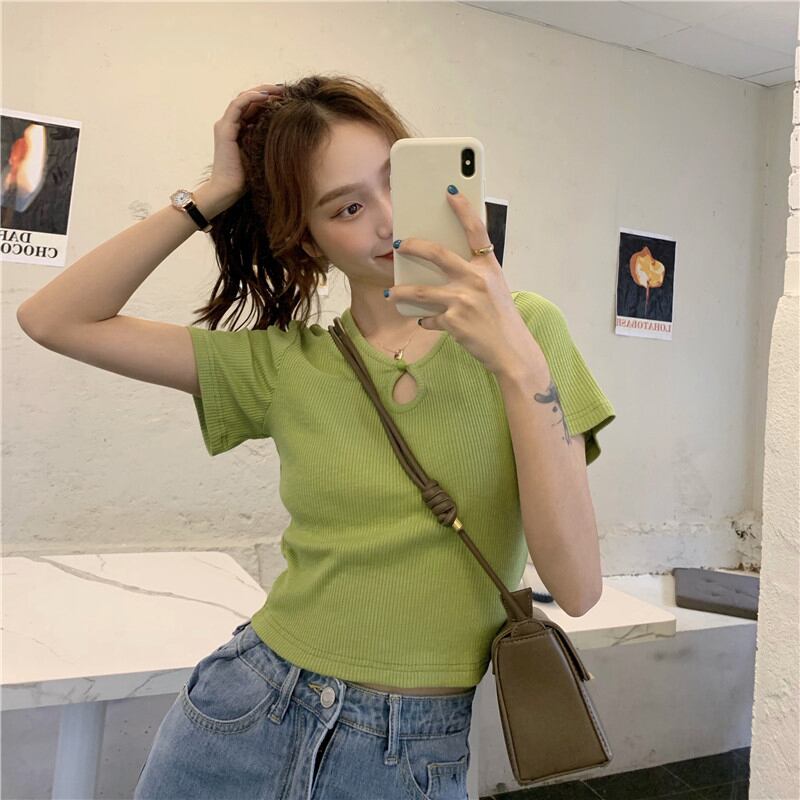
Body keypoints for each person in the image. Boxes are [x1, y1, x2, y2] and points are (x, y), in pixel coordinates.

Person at [16, 74, 615, 800]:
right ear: (310, 238)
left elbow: (577, 588)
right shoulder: (287, 365)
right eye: (348, 207)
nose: (389, 223)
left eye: (397, 181)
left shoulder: (531, 329)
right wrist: (212, 192)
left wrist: (517, 364)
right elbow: (54, 320)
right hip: (246, 708)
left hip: (407, 748)